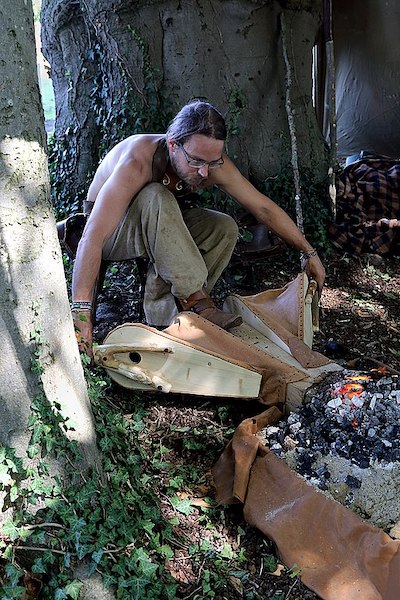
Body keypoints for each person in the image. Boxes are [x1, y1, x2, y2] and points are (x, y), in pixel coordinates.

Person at [71, 100, 325, 358]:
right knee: (156, 196)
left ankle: (170, 320)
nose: (204, 172)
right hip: (112, 233)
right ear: (173, 144)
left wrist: (308, 252)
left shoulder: (208, 163)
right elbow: (92, 236)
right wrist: (80, 312)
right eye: (196, 161)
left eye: (213, 162)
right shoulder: (138, 161)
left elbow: (263, 208)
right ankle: (199, 304)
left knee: (223, 227)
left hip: (160, 223)